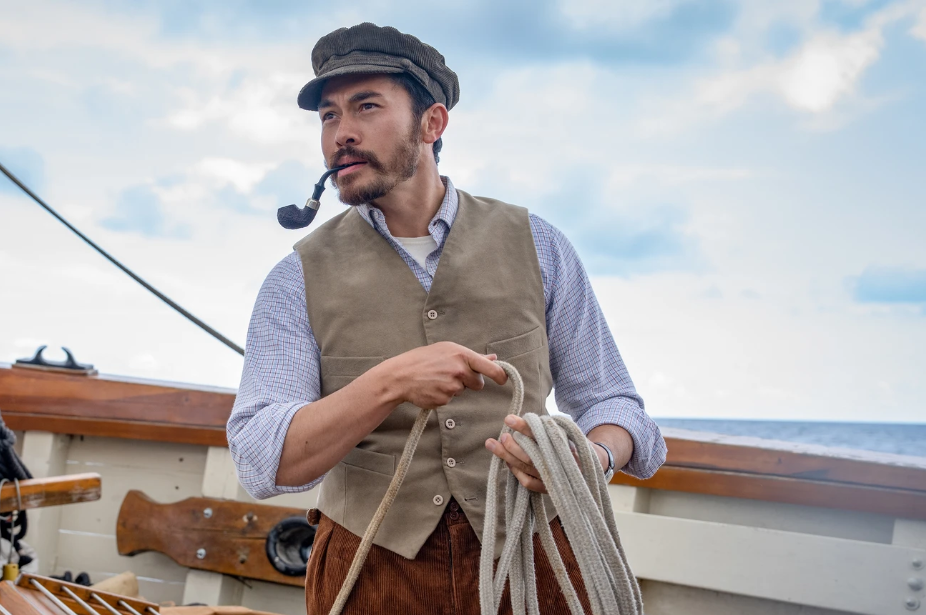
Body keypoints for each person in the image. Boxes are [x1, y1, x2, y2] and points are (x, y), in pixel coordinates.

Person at [228, 22, 667, 615]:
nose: (341, 133)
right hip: (371, 573)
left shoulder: (539, 244)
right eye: (329, 116)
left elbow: (617, 408)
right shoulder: (294, 278)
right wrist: (390, 383)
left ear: (432, 124)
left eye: (366, 107)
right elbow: (262, 460)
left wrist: (586, 459)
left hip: (537, 565)